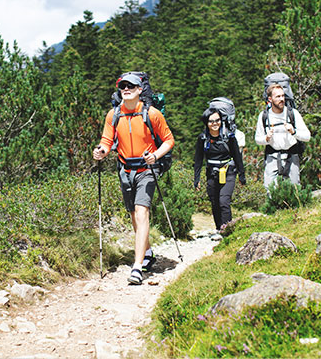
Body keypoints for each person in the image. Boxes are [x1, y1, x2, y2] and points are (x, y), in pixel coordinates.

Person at [93, 72, 175, 285]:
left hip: (147, 169)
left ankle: (137, 267)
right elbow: (107, 140)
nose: (126, 89)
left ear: (140, 90)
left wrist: (155, 156)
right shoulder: (113, 114)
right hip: (125, 169)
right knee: (133, 214)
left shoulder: (153, 114)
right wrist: (101, 150)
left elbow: (168, 140)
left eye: (131, 86)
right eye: (122, 86)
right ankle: (147, 252)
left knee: (141, 211)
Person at [193, 108, 246, 231]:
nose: (215, 123)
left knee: (224, 201)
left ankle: (227, 230)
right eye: (211, 121)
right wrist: (197, 179)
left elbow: (237, 157)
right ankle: (219, 229)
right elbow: (198, 160)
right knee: (215, 202)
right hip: (211, 173)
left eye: (217, 120)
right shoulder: (203, 138)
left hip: (228, 171)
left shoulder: (229, 137)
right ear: (206, 123)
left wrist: (241, 175)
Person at [255, 83, 311, 188]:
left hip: (292, 156)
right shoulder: (264, 116)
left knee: (295, 189)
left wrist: (294, 132)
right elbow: (258, 139)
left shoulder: (293, 113)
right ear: (270, 99)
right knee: (270, 190)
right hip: (272, 157)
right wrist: (266, 138)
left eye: (283, 96)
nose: (282, 99)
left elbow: (307, 136)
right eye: (278, 96)